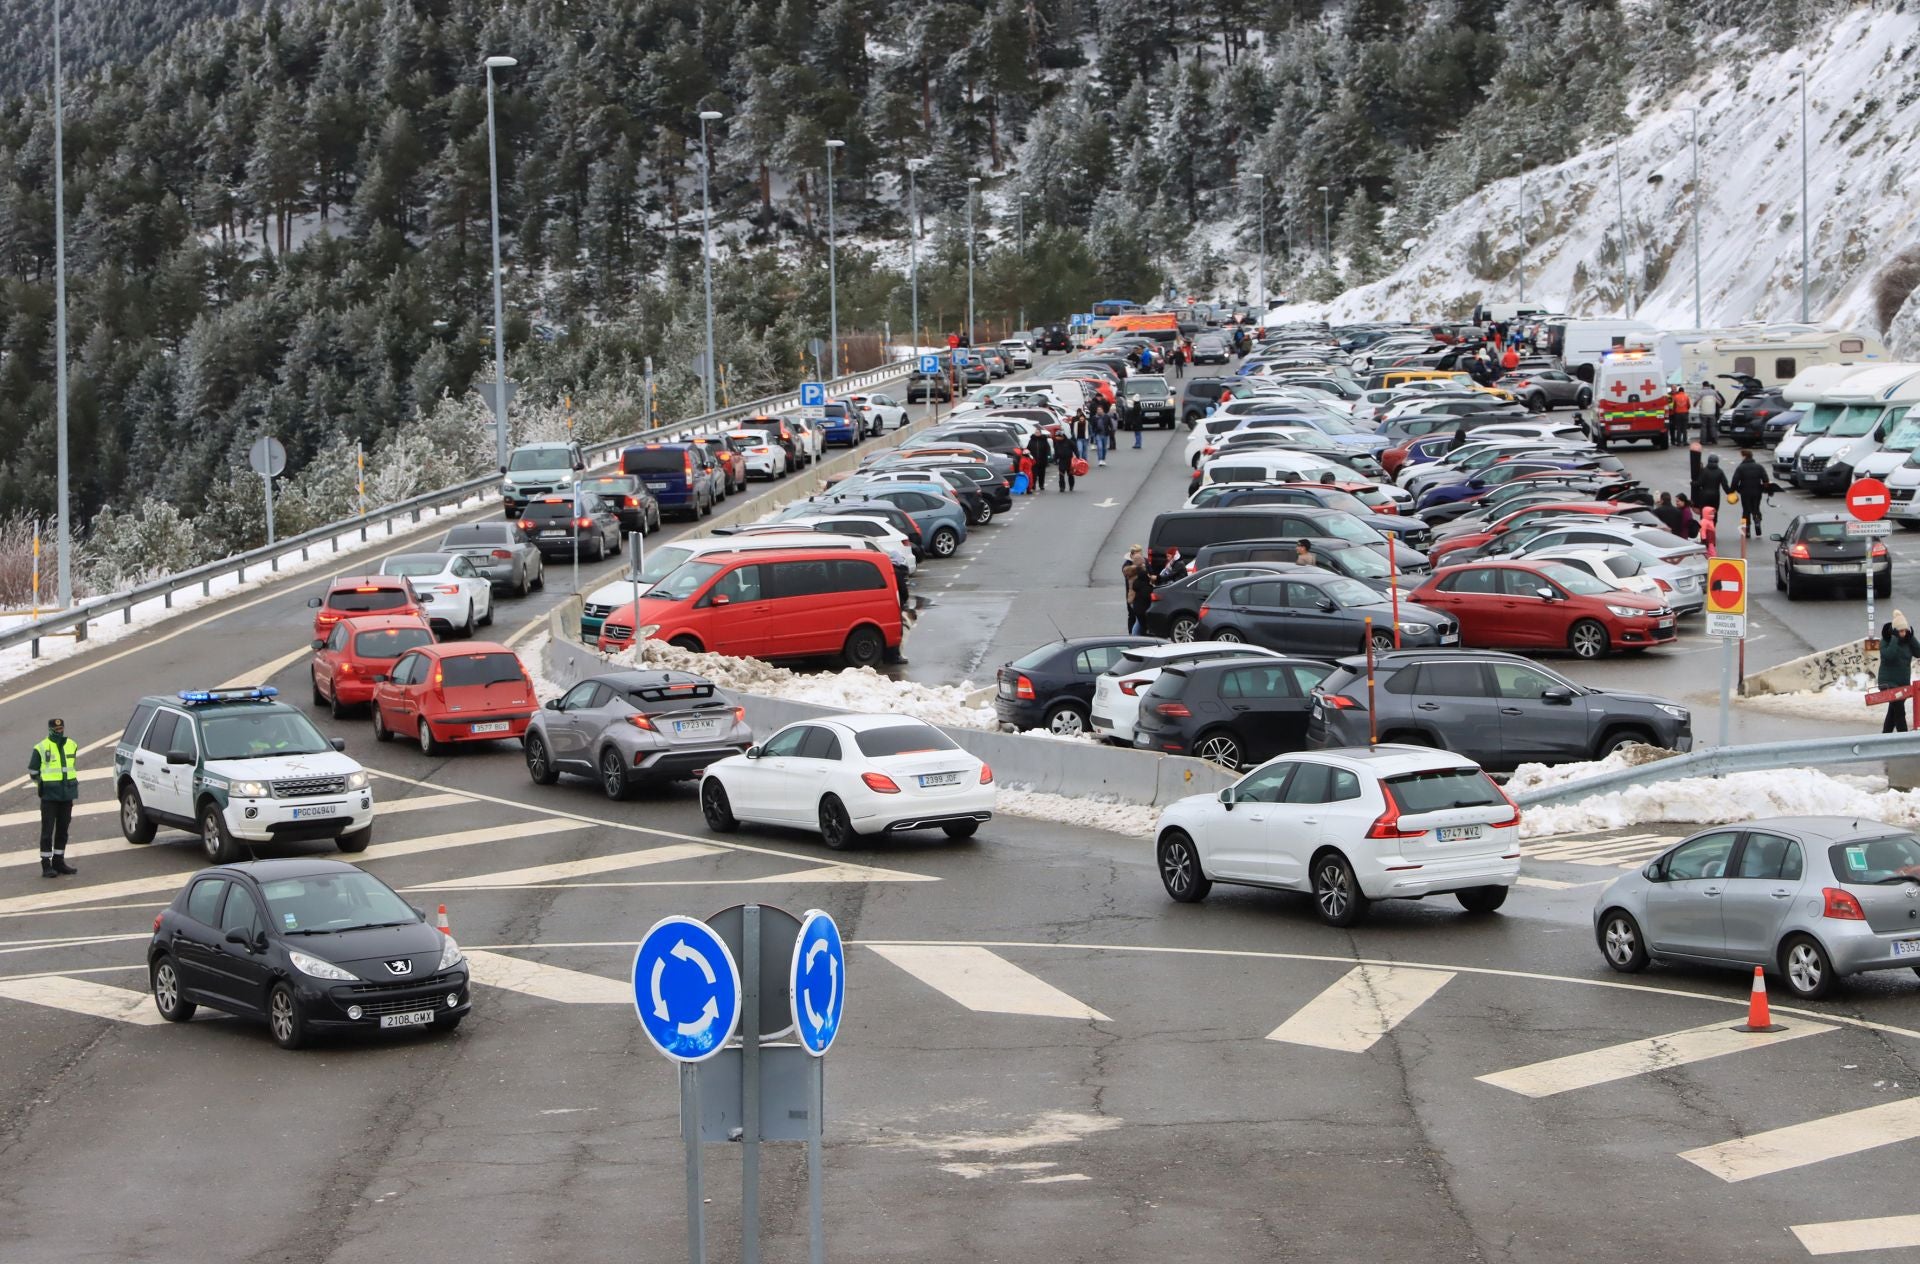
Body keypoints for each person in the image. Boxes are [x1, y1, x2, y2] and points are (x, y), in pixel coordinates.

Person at [29, 717, 79, 878]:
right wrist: (43, 786)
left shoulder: (72, 745)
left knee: (63, 830)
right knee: (47, 831)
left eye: (61, 729)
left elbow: (70, 767)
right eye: (57, 730)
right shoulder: (41, 748)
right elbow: (33, 771)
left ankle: (59, 861)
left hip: (67, 794)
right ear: (50, 729)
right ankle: (46, 864)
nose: (60, 731)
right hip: (50, 797)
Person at [1880, 612, 1918, 733]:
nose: (1904, 633)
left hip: (1902, 685)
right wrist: (1894, 639)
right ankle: (1904, 737)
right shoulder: (1886, 640)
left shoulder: (1908, 641)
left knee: (1893, 712)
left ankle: (1885, 736)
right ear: (1895, 631)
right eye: (1901, 631)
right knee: (1899, 711)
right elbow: (1889, 656)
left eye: (1905, 631)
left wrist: (1912, 638)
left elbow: (1918, 653)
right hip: (1888, 683)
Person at [1690, 443, 1727, 545]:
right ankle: (1712, 531)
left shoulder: (1705, 471)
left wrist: (1693, 483)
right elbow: (1725, 485)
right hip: (1715, 496)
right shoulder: (1720, 472)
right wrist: (1730, 492)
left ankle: (1704, 533)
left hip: (1704, 496)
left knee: (1704, 515)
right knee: (1713, 515)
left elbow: (1699, 483)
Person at [1730, 448, 1769, 538]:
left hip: (1745, 492)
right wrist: (1763, 488)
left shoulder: (1741, 468)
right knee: (1756, 508)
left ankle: (1747, 530)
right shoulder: (1759, 467)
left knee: (1746, 510)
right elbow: (1765, 479)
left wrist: (1732, 490)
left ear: (1744, 456)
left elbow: (1735, 481)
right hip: (1757, 492)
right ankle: (1757, 522)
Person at [1121, 546, 1145, 631]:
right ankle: (1132, 634)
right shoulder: (1127, 565)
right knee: (1132, 615)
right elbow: (1127, 572)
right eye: (1138, 553)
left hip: (1141, 594)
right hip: (1132, 595)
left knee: (1139, 617)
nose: (1140, 555)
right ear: (1132, 554)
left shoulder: (1143, 562)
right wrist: (1138, 567)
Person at [1697, 380, 1724, 445]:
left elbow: (1696, 401)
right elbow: (1720, 401)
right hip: (1712, 413)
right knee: (1713, 427)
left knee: (1703, 427)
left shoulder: (1701, 392)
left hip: (1703, 412)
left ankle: (1703, 441)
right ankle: (1714, 440)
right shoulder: (1714, 392)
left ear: (1703, 385)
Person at [1053, 427, 1077, 492]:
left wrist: (1077, 456)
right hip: (1061, 461)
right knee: (1061, 475)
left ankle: (1071, 486)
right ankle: (1062, 487)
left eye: (1058, 437)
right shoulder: (1057, 443)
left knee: (1070, 475)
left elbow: (1075, 449)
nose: (1057, 438)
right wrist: (1055, 459)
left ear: (1062, 436)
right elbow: (1056, 452)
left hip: (1069, 461)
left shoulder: (1069, 442)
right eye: (1056, 437)